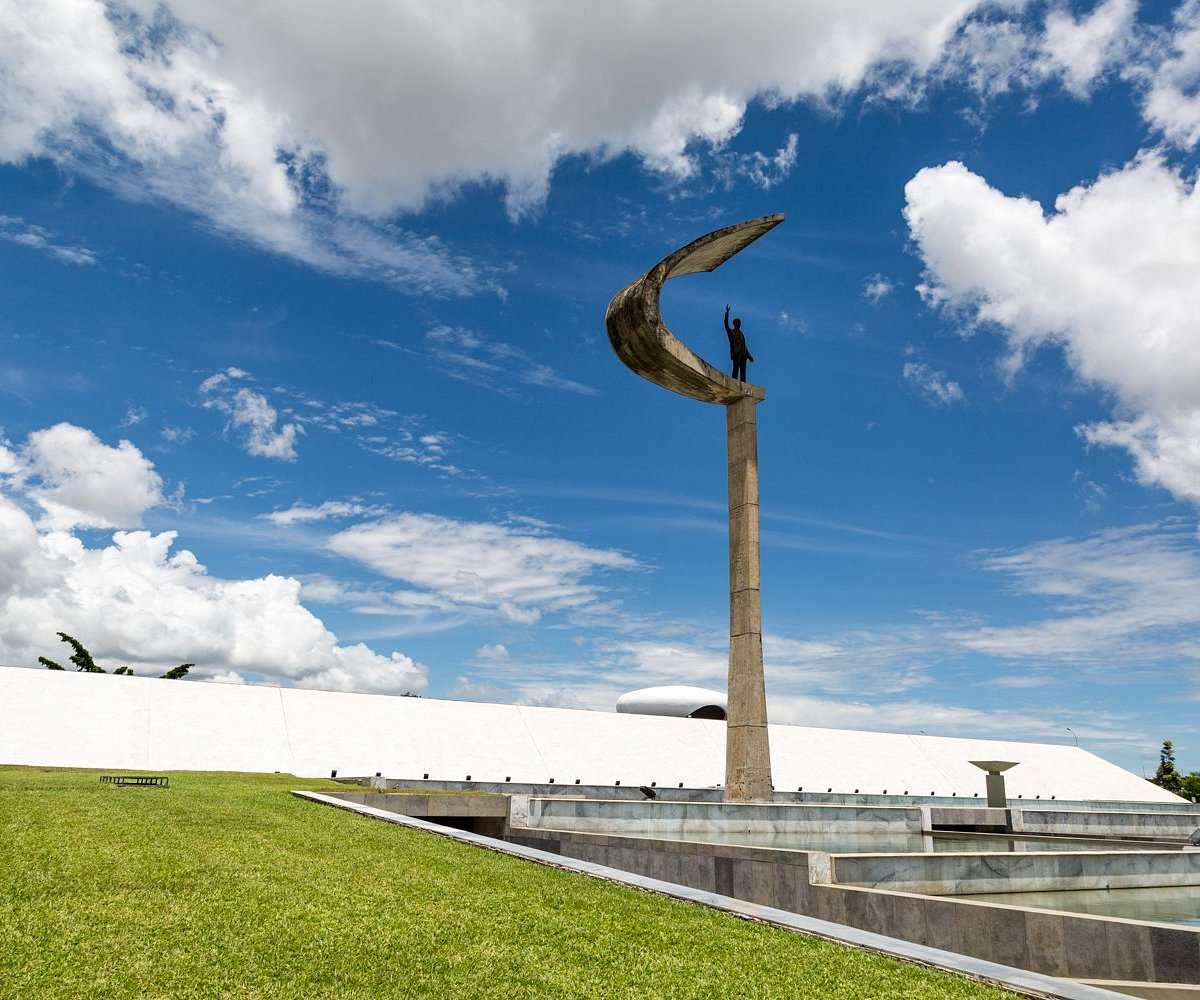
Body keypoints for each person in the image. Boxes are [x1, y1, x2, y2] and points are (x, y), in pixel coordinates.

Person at [724, 304, 753, 382]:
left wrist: (749, 356)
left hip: (743, 354)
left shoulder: (741, 333)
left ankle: (743, 383)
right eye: (738, 322)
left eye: (740, 322)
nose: (739, 324)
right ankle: (734, 381)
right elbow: (726, 325)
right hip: (737, 353)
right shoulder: (732, 332)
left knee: (743, 370)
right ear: (735, 324)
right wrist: (727, 313)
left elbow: (744, 345)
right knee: (736, 368)